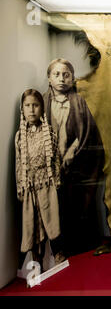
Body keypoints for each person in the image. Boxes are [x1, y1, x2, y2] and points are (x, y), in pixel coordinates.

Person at [44, 58, 106, 257]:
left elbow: (88, 132)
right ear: (49, 78)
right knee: (54, 206)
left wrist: (74, 150)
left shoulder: (78, 101)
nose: (61, 79)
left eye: (66, 74)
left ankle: (79, 244)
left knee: (77, 204)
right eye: (57, 74)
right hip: (50, 164)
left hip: (76, 164)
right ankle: (57, 247)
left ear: (72, 78)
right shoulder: (43, 101)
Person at [15, 89, 65, 271]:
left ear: (41, 108)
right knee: (32, 225)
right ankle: (36, 261)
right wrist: (20, 185)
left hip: (47, 184)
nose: (31, 110)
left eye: (35, 105)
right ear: (22, 109)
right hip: (30, 186)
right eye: (27, 106)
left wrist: (57, 179)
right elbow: (18, 163)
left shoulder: (49, 133)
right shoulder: (21, 136)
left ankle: (58, 255)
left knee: (51, 221)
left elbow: (56, 158)